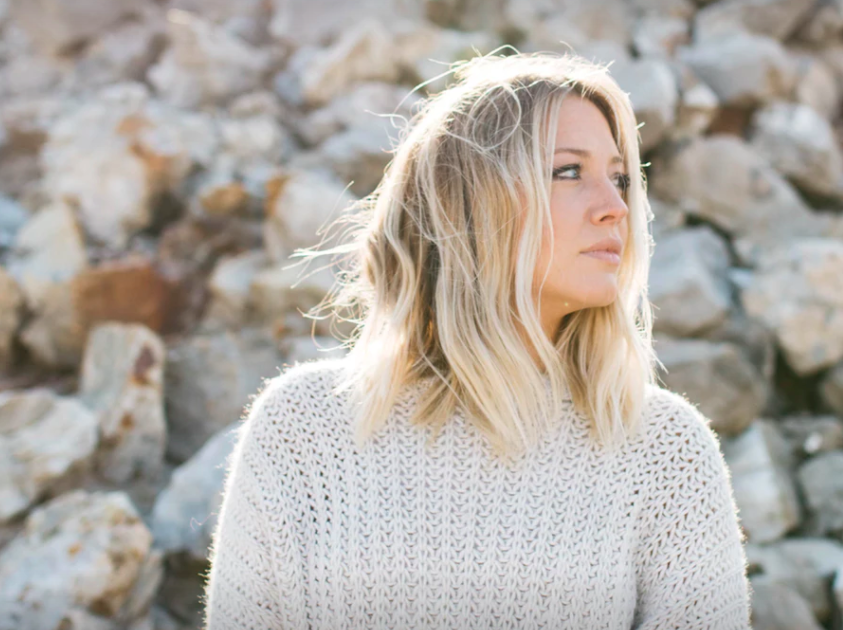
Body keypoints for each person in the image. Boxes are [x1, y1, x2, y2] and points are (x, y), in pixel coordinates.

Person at [201, 50, 752, 629]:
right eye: (569, 172)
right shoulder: (305, 429)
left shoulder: (663, 451)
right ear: (468, 202)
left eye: (619, 179)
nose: (616, 208)